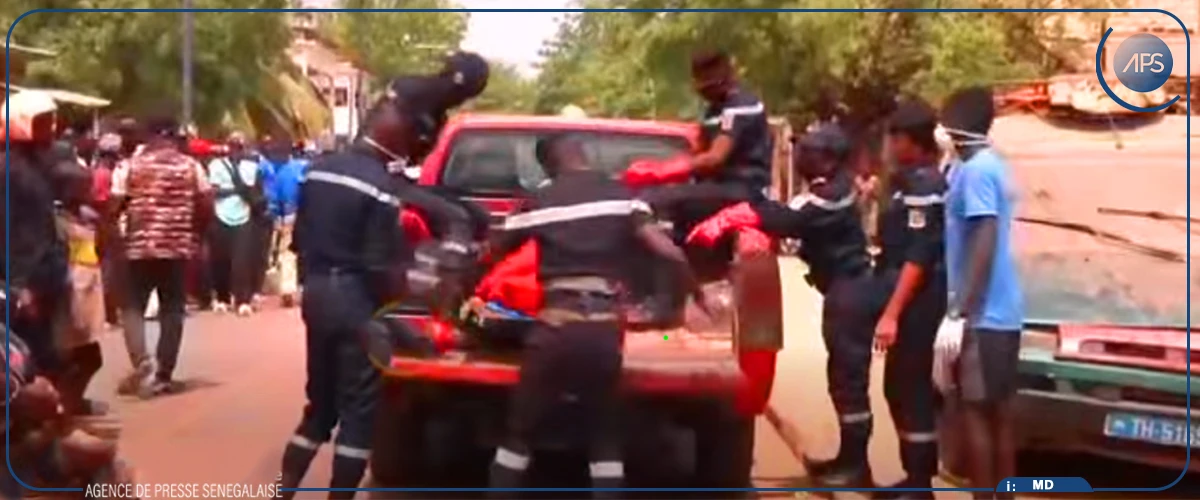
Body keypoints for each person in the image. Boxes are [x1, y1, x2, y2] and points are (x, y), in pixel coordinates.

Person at [277, 56, 488, 498]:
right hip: (354, 300)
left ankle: (284, 489)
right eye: (414, 138)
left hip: (316, 296)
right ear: (397, 129)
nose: (417, 146)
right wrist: (413, 294)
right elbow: (377, 269)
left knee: (320, 408)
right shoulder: (378, 186)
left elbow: (299, 243)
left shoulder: (319, 170)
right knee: (359, 413)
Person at [486, 134, 701, 498]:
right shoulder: (624, 198)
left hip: (554, 331)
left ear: (548, 165)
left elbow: (490, 252)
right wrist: (696, 293)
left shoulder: (540, 201)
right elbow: (669, 253)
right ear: (583, 154)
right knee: (604, 435)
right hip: (603, 333)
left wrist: (458, 292)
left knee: (520, 433)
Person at [686, 122, 877, 487]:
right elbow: (780, 211)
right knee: (843, 379)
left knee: (849, 380)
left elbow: (788, 219)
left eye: (809, 152)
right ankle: (849, 462)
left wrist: (736, 216)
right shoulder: (827, 187)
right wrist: (744, 211)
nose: (801, 157)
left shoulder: (831, 194)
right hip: (842, 288)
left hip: (851, 290)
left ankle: (856, 468)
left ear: (829, 160)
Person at [940, 87, 1023, 500]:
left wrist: (959, 310)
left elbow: (984, 237)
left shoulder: (977, 173)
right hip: (1002, 312)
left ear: (957, 124)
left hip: (984, 314)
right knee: (998, 415)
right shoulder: (984, 165)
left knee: (976, 413)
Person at [869, 99, 948, 498]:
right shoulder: (908, 183)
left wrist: (892, 314)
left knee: (911, 387)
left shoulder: (928, 187)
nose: (890, 146)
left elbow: (919, 255)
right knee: (896, 387)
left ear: (912, 142)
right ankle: (912, 478)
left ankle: (921, 485)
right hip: (905, 298)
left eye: (895, 139)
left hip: (918, 301)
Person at [110, 116, 212, 398]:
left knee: (132, 306)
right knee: (172, 309)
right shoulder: (191, 166)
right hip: (176, 248)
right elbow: (205, 204)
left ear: (148, 135)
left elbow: (115, 204)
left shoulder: (130, 166)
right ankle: (164, 374)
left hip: (138, 248)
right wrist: (196, 235)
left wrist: (114, 238)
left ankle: (142, 361)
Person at [1, 91, 71, 377]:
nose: (50, 129)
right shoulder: (8, 169)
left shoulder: (37, 165)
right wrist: (19, 285)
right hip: (23, 278)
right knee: (30, 353)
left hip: (45, 273)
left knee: (47, 350)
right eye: (42, 122)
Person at [55, 166, 109, 417]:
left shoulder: (87, 216)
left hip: (89, 287)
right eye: (83, 186)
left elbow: (103, 245)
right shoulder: (57, 221)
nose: (89, 191)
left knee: (86, 353)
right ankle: (64, 405)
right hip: (71, 288)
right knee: (83, 356)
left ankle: (72, 402)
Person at [207, 131, 260, 315]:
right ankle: (222, 298)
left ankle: (243, 300)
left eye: (240, 147)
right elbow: (213, 191)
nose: (236, 150)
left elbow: (254, 190)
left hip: (244, 216)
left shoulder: (251, 167)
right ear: (228, 147)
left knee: (242, 260)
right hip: (221, 215)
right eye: (234, 146)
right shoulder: (216, 166)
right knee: (220, 259)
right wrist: (234, 191)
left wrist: (236, 191)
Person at [267, 140, 307, 307]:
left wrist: (277, 218)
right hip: (309, 215)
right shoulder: (309, 168)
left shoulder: (283, 172)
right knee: (308, 253)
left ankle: (288, 290)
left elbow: (275, 200)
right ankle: (306, 289)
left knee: (287, 253)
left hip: (289, 215)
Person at [93, 133, 126, 328]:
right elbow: (103, 203)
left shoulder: (98, 172)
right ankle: (108, 314)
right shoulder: (103, 174)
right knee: (109, 270)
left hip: (104, 224)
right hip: (106, 225)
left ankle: (110, 313)